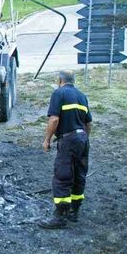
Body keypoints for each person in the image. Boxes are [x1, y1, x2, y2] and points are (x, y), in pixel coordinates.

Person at [39, 70, 92, 229]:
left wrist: (47, 139)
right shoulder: (82, 96)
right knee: (79, 174)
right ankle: (73, 212)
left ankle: (60, 217)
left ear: (60, 80)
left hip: (68, 139)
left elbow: (54, 119)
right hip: (82, 138)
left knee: (63, 175)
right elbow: (89, 123)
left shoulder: (58, 93)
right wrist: (83, 139)